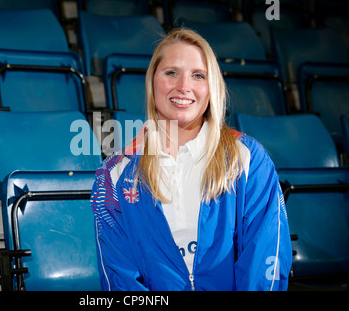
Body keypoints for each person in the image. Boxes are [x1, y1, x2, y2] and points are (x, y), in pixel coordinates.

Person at [90, 28, 292, 291]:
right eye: (171, 72)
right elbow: (119, 278)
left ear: (212, 88)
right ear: (152, 82)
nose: (183, 86)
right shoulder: (114, 175)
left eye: (198, 75)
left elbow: (265, 261)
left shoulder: (249, 159)